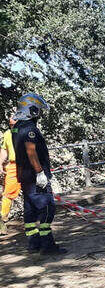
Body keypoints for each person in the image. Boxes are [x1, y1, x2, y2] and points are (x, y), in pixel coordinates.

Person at [12, 93, 65, 255]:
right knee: (47, 209)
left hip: (25, 177)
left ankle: (34, 243)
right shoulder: (30, 130)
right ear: (32, 110)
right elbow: (31, 151)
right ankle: (47, 246)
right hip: (35, 178)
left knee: (30, 211)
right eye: (38, 110)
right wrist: (40, 172)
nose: (39, 114)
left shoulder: (16, 128)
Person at [0, 116, 20, 234]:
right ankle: (3, 219)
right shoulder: (7, 134)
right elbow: (4, 150)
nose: (13, 127)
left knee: (32, 191)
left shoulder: (26, 132)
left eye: (14, 125)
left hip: (26, 165)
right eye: (11, 125)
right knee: (8, 194)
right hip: (13, 166)